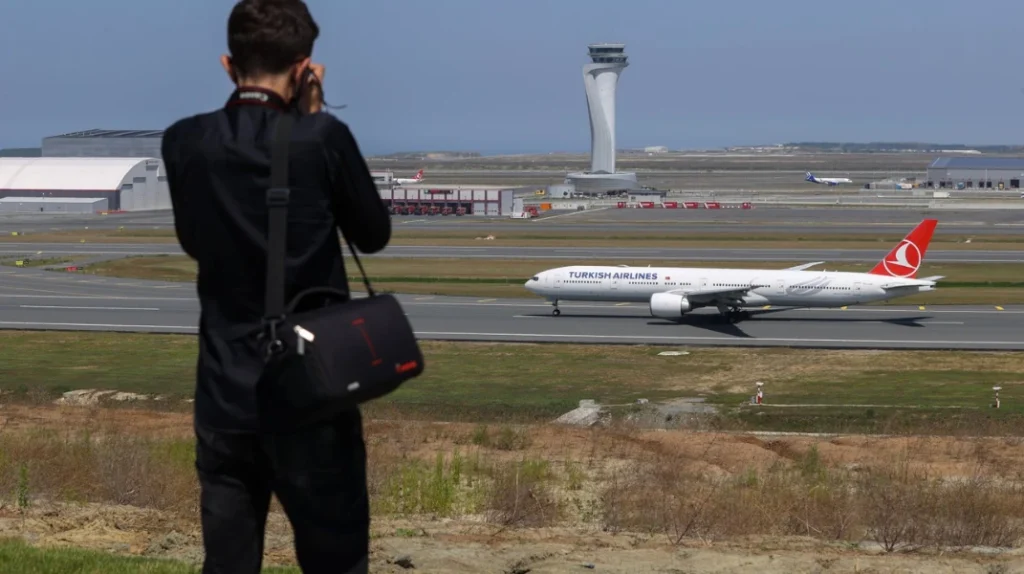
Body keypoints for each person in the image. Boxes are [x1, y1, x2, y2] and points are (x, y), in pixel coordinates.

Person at [160, 0, 390, 572]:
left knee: (229, 560)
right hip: (315, 389)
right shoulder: (323, 138)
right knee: (335, 558)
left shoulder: (186, 140)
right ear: (305, 68)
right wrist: (315, 120)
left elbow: (194, 243)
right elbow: (373, 235)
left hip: (226, 390)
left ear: (226, 64)